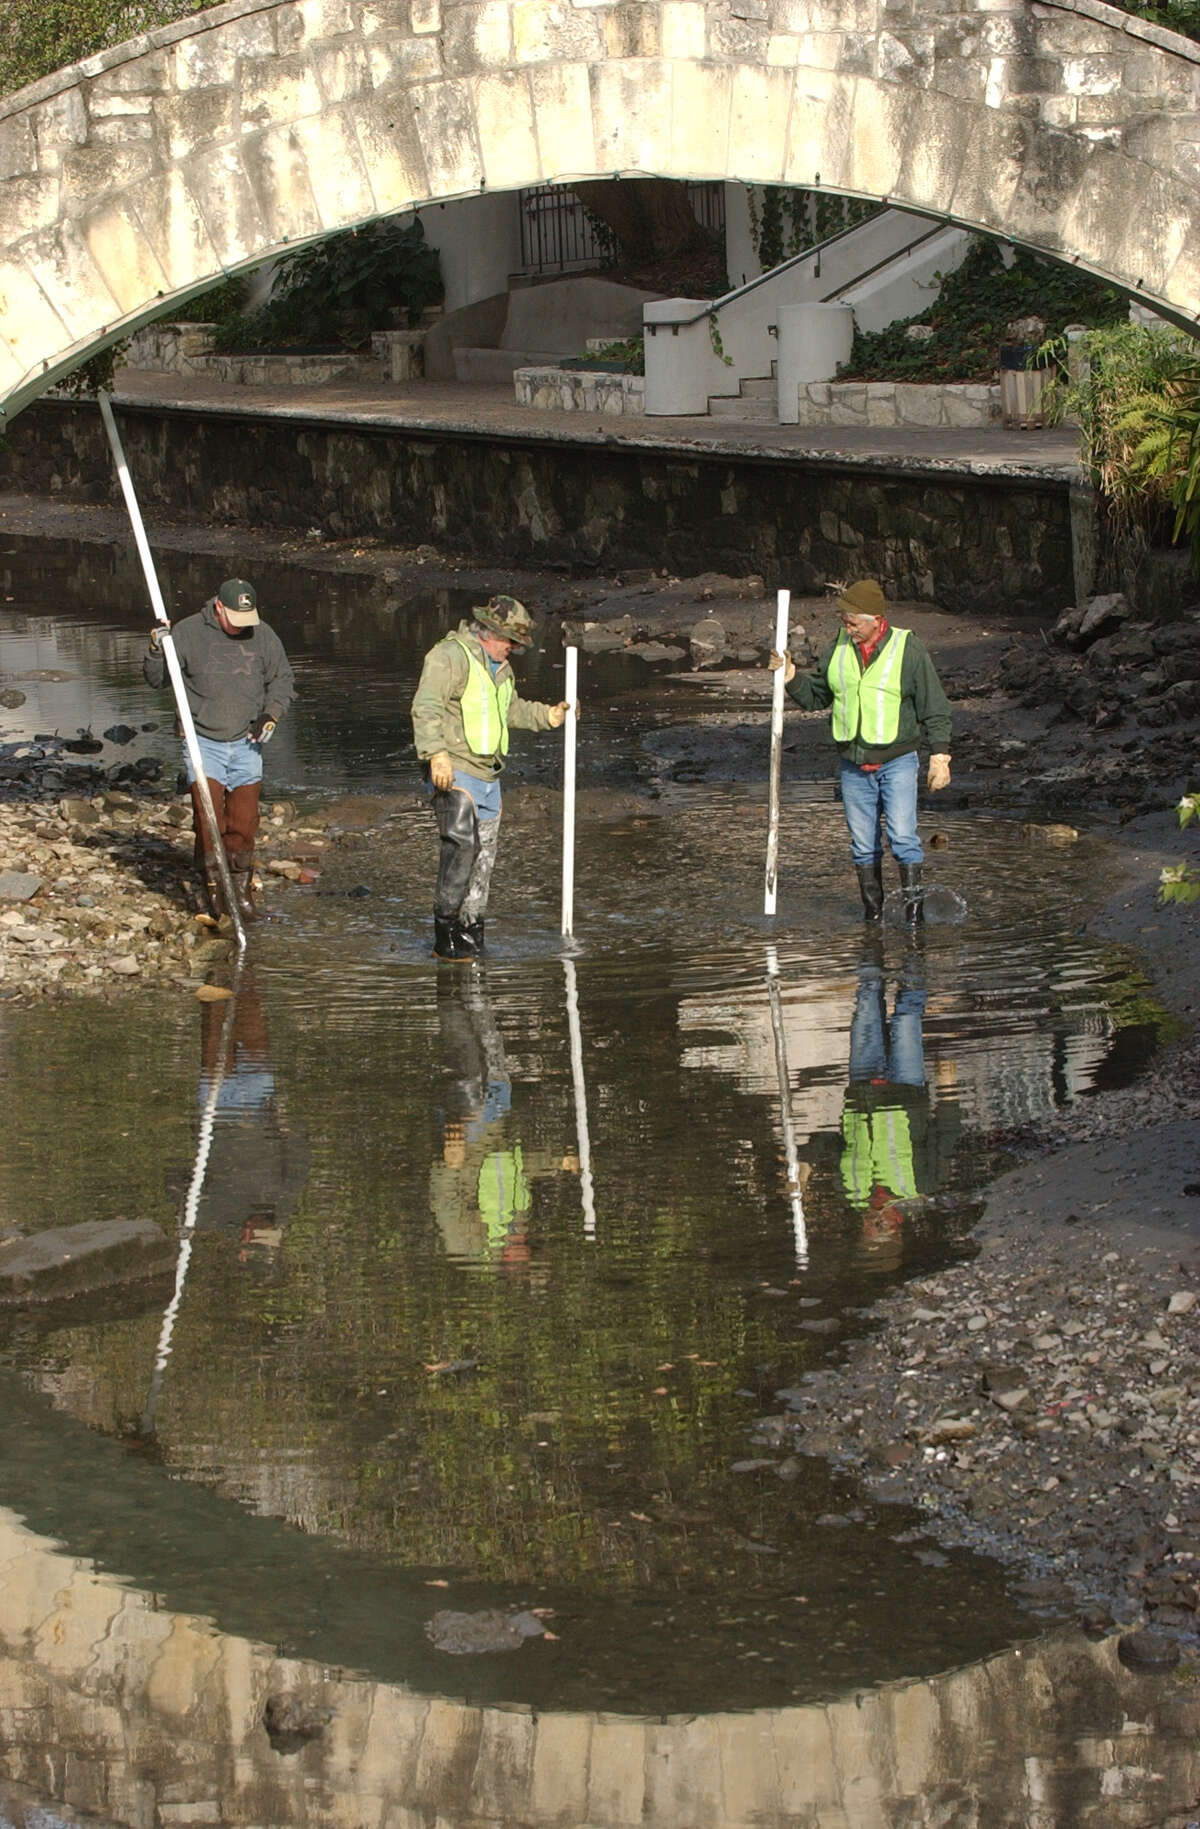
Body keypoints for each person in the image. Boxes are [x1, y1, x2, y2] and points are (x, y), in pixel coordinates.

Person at [771, 579, 952, 923]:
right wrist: (791, 675)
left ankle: (914, 918)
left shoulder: (907, 648)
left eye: (853, 622)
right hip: (853, 765)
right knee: (864, 847)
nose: (848, 628)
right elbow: (817, 696)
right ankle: (874, 917)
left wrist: (940, 756)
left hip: (897, 761)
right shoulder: (837, 647)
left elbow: (935, 705)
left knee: (902, 838)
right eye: (845, 621)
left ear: (875, 619)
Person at [411, 594, 567, 962]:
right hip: (455, 769)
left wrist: (548, 717)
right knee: (460, 847)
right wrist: (436, 755)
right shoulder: (448, 657)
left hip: (489, 773)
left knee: (484, 857)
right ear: (490, 632)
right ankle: (445, 933)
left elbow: (509, 709)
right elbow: (426, 706)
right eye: (510, 641)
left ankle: (472, 928)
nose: (513, 649)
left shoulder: (502, 669)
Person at [144, 578, 295, 921]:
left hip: (247, 742)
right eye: (235, 620)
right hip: (202, 742)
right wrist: (156, 648)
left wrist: (271, 715)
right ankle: (214, 894)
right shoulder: (188, 633)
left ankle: (241, 893)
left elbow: (283, 679)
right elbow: (155, 680)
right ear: (218, 608)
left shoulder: (264, 636)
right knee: (209, 820)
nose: (243, 627)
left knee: (244, 823)